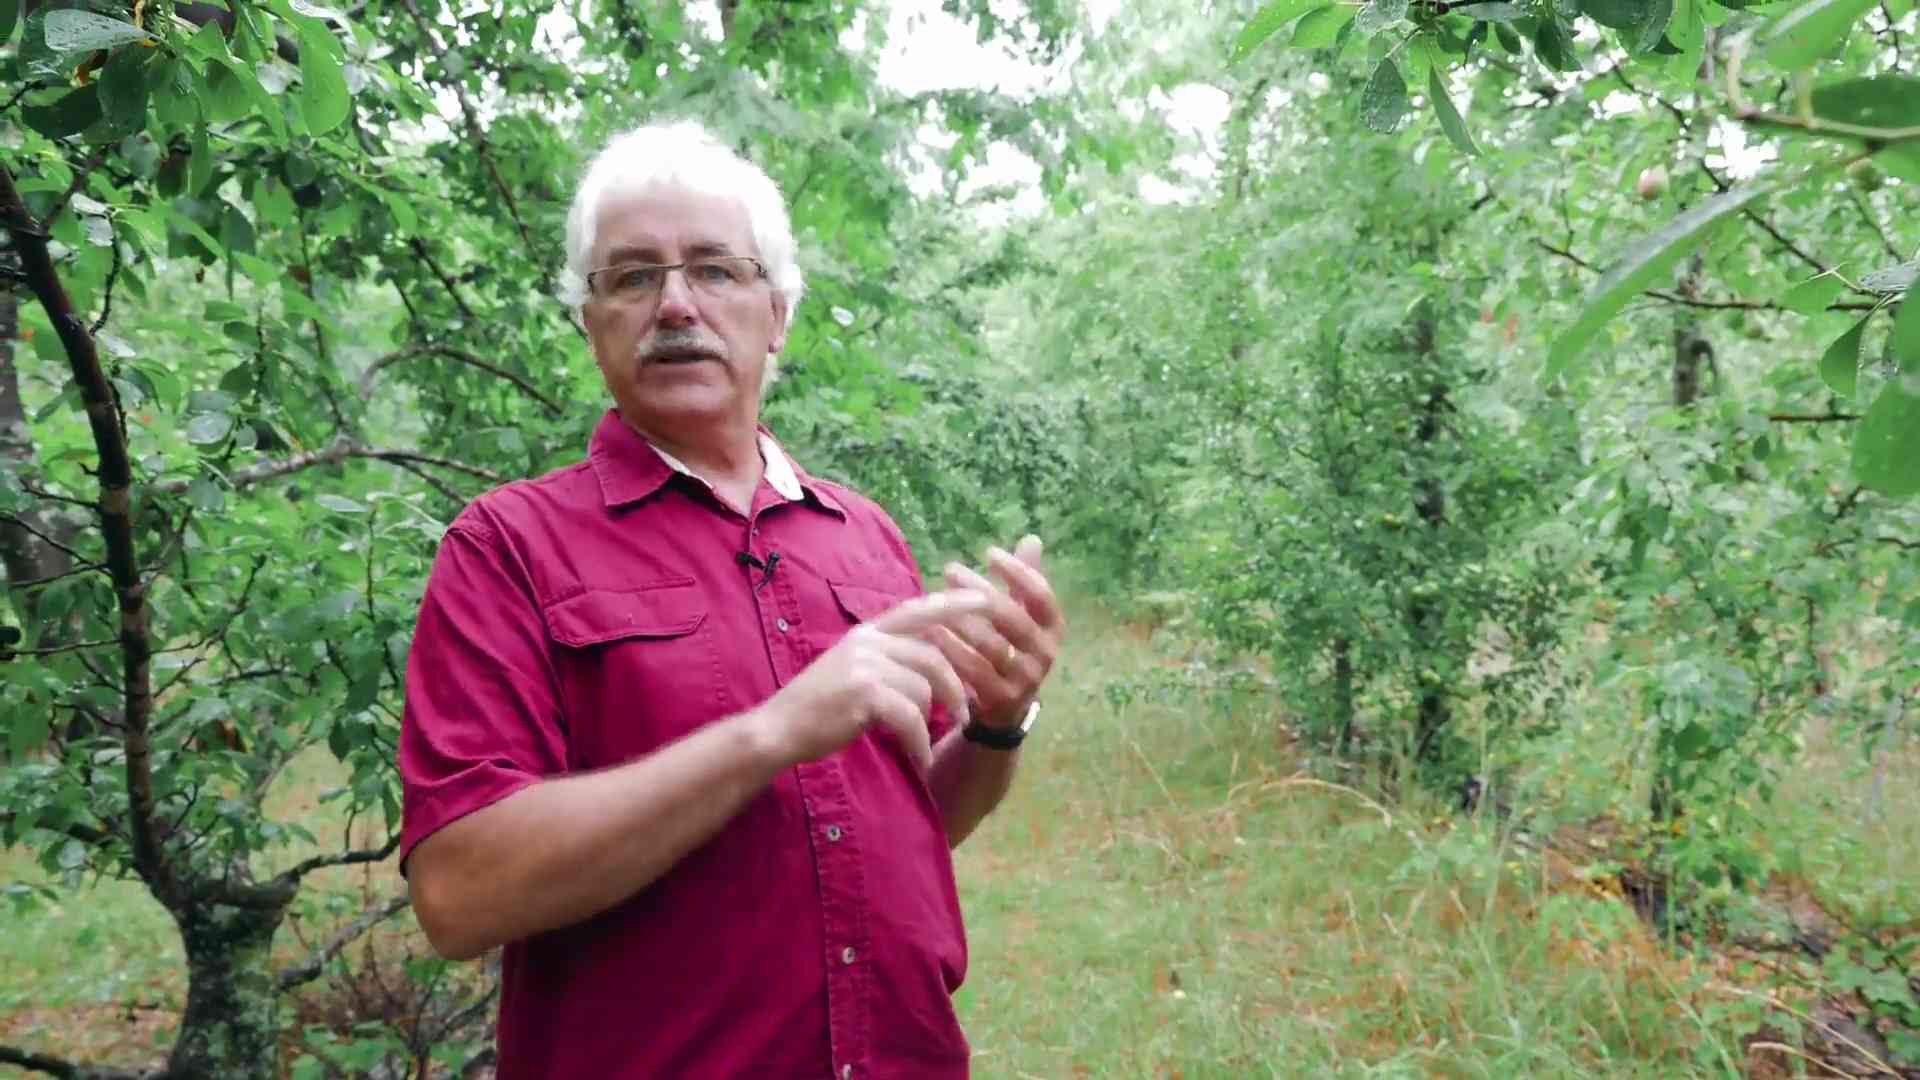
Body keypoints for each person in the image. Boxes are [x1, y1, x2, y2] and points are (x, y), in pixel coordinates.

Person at [396, 120, 1065, 1079]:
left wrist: (999, 725)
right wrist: (771, 733)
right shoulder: (507, 547)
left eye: (715, 269)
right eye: (631, 277)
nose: (675, 304)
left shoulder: (862, 535)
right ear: (591, 321)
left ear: (778, 312)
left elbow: (901, 824)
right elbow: (462, 894)